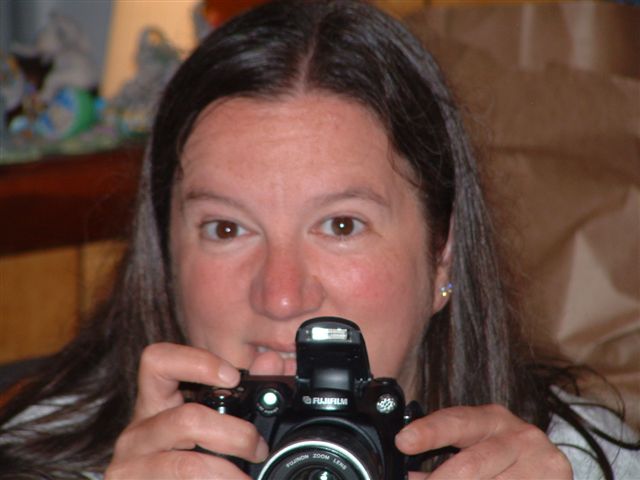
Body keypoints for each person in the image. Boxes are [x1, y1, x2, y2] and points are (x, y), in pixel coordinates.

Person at [1, 1, 638, 478]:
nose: (282, 295)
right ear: (165, 259)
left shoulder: (572, 462)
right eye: (228, 229)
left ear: (442, 254)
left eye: (341, 225)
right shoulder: (42, 462)